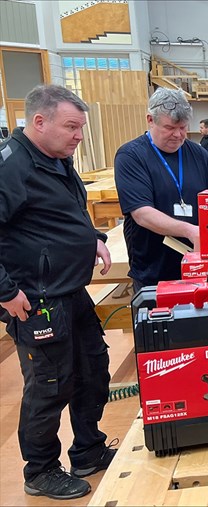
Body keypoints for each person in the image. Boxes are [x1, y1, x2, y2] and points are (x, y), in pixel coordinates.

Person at [0, 84, 117, 500]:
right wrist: (5, 292)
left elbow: (65, 213)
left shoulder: (55, 158)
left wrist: (93, 238)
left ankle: (88, 450)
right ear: (39, 121)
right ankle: (41, 470)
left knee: (92, 370)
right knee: (50, 386)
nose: (78, 136)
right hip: (36, 298)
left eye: (80, 128)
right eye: (71, 127)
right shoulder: (11, 166)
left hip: (70, 290)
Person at [115, 88, 208, 292]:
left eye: (183, 127)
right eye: (170, 127)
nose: (178, 135)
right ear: (150, 120)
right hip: (154, 272)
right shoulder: (131, 156)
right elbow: (142, 214)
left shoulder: (199, 155)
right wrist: (190, 231)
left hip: (199, 270)